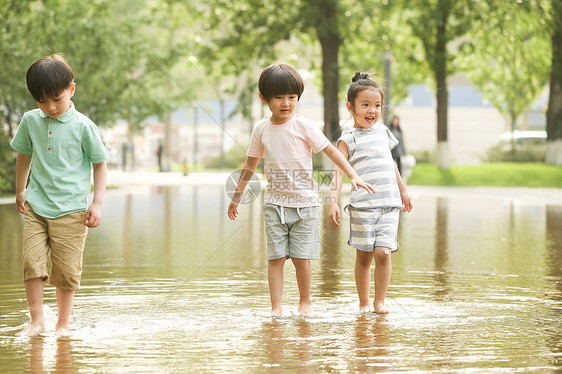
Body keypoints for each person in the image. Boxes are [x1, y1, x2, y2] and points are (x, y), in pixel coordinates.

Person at [227, 63, 375, 317]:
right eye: (279, 98)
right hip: (275, 205)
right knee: (275, 258)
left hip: (306, 205)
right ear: (264, 98)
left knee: (300, 257)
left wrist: (353, 174)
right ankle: (276, 307)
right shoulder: (261, 129)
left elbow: (330, 151)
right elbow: (250, 164)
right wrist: (236, 197)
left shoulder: (303, 126)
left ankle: (304, 301)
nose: (286, 103)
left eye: (292, 97)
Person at [10, 54, 109, 337]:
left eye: (56, 98)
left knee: (66, 270)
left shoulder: (83, 126)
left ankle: (62, 324)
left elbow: (99, 163)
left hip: (72, 210)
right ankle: (37, 320)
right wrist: (20, 190)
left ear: (71, 90)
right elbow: (23, 155)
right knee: (32, 261)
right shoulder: (30, 121)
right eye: (42, 101)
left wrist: (97, 203)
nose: (50, 107)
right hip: (37, 205)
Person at [328, 72, 413, 314]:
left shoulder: (383, 131)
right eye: (365, 105)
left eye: (377, 105)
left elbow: (391, 163)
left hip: (389, 204)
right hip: (363, 206)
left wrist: (403, 190)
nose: (372, 111)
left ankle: (380, 302)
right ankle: (364, 303)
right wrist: (333, 202)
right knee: (364, 257)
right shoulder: (348, 139)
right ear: (350, 107)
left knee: (383, 253)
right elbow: (338, 172)